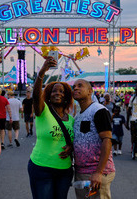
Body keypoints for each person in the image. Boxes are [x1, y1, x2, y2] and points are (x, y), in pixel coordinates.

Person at [28, 57, 74, 199]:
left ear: (66, 97)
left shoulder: (71, 120)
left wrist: (71, 147)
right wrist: (42, 71)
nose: (58, 93)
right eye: (54, 91)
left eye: (61, 92)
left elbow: (73, 141)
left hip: (64, 170)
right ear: (48, 95)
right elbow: (36, 96)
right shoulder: (43, 111)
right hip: (42, 168)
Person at [73, 79, 115, 199]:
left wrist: (98, 172)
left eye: (80, 86)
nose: (75, 88)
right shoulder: (77, 116)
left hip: (96, 173)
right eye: (74, 87)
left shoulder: (98, 110)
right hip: (81, 172)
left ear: (90, 91)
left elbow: (107, 140)